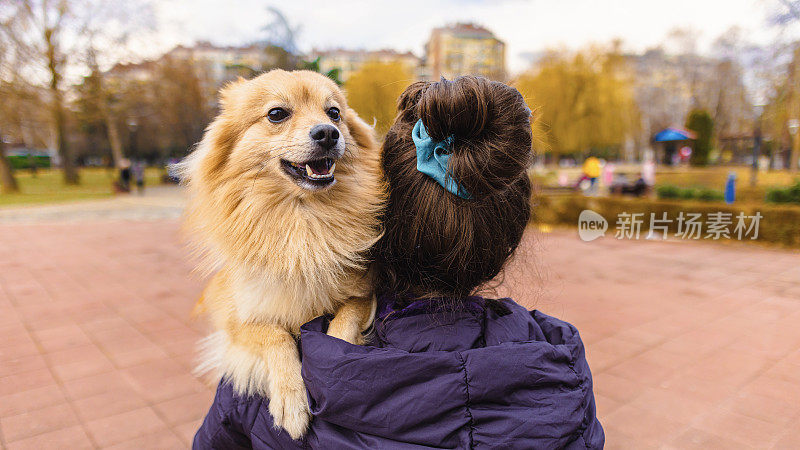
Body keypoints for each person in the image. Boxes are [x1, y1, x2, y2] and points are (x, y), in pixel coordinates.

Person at [194, 77, 604, 449]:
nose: (324, 126)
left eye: (332, 113)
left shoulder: (250, 400)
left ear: (390, 208)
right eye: (278, 115)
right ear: (510, 238)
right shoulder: (567, 370)